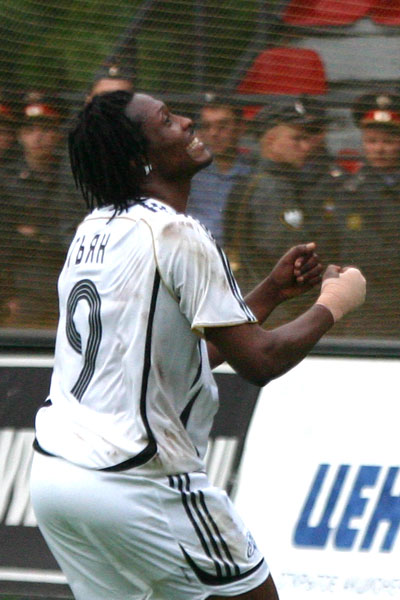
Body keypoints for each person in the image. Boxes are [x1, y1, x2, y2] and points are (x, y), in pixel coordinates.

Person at [29, 90, 365, 600]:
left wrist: (270, 294)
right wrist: (334, 302)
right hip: (135, 478)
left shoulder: (93, 229)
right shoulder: (176, 232)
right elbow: (260, 361)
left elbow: (172, 358)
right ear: (138, 160)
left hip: (56, 475)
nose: (187, 122)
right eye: (167, 120)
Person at [0, 91, 67, 327]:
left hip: (64, 288)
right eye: (30, 130)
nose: (38, 137)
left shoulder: (69, 180)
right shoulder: (6, 181)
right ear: (20, 136)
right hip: (21, 292)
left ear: (58, 135)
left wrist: (35, 234)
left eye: (46, 130)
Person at [187, 91, 252, 246]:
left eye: (223, 126)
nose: (214, 133)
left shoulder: (253, 174)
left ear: (241, 127)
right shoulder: (188, 174)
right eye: (206, 126)